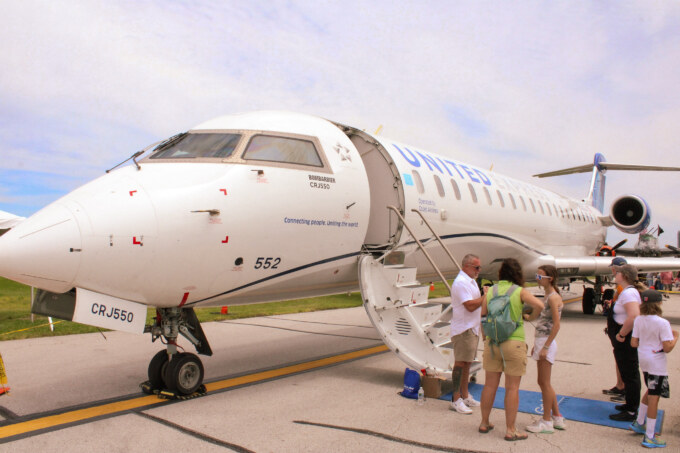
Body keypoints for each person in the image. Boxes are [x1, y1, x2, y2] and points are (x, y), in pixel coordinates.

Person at [478, 258, 544, 440]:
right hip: (514, 341)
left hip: (493, 343)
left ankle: (484, 422)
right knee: (512, 388)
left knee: (490, 384)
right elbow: (540, 305)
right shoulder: (520, 291)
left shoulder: (491, 291)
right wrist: (529, 316)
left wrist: (486, 338)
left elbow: (482, 314)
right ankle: (510, 429)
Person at [630, 289, 678, 448]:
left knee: (650, 390)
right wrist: (675, 337)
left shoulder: (638, 319)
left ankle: (639, 422)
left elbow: (633, 343)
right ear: (658, 303)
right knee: (654, 398)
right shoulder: (662, 323)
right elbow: (667, 347)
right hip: (656, 362)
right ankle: (650, 436)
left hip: (643, 359)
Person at [525, 265, 566, 433]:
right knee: (544, 383)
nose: (537, 277)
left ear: (551, 278)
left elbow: (556, 325)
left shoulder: (553, 298)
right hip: (542, 340)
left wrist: (546, 346)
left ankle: (546, 421)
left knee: (544, 383)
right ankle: (557, 417)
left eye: (540, 275)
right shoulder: (548, 295)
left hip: (546, 343)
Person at [449, 254, 488, 414]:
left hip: (472, 328)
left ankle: (464, 395)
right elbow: (470, 306)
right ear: (467, 266)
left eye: (479, 267)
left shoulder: (471, 281)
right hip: (463, 330)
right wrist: (486, 296)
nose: (479, 270)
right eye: (476, 267)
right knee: (460, 364)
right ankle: (455, 399)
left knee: (467, 363)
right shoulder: (461, 283)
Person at [607, 264, 644, 421]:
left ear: (625, 275)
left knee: (630, 374)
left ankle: (631, 411)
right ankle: (629, 404)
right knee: (627, 371)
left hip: (625, 339)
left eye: (619, 272)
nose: (616, 274)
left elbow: (634, 315)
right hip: (622, 339)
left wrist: (621, 335)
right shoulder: (627, 292)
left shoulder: (629, 294)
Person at [602, 257, 627, 401]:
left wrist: (622, 332)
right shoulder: (620, 287)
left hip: (621, 330)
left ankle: (625, 389)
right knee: (618, 357)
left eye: (613, 268)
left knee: (623, 359)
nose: (612, 270)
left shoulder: (625, 288)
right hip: (615, 327)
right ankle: (619, 385)